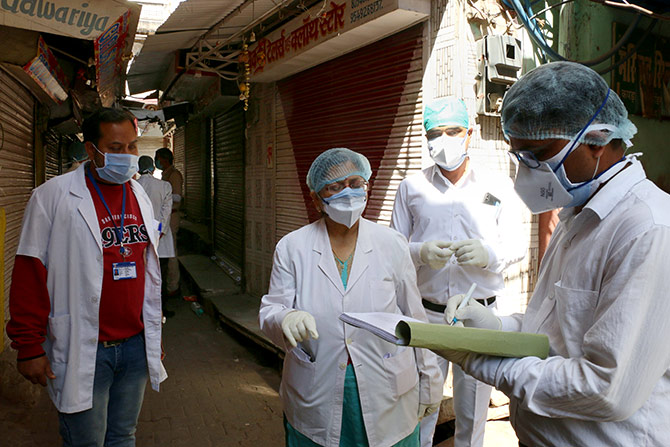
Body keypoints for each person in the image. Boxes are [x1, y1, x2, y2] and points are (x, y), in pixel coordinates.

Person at [441, 61, 670, 446]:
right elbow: (557, 334)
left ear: (596, 140)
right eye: (520, 157)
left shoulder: (647, 229)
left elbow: (605, 387)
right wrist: (498, 329)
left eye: (538, 154)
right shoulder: (576, 217)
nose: (528, 172)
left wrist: (490, 364)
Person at [259, 148, 443, 447]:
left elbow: (415, 319)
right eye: (335, 187)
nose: (348, 193)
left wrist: (431, 380)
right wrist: (285, 317)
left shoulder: (392, 243)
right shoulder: (292, 247)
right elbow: (271, 310)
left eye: (355, 183)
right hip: (316, 387)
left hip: (387, 386)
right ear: (316, 199)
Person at [6, 108, 167, 446]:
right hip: (86, 347)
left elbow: (148, 273)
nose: (127, 157)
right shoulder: (52, 196)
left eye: (132, 147)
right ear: (91, 149)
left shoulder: (138, 195)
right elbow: (29, 274)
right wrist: (28, 346)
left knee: (124, 436)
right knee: (85, 441)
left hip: (135, 345)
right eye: (116, 148)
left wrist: (153, 337)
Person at [390, 97, 526, 447]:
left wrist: (488, 255)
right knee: (422, 403)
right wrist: (420, 252)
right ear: (426, 138)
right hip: (428, 316)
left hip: (478, 316)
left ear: (469, 133)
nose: (445, 139)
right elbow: (392, 249)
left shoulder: (496, 186)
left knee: (473, 410)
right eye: (435, 133)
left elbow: (517, 245)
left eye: (453, 131)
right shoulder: (412, 187)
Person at [137, 155, 176, 317]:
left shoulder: (133, 186)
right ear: (153, 168)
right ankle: (160, 310)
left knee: (142, 277)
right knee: (160, 276)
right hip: (161, 238)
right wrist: (158, 230)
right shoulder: (164, 186)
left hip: (140, 238)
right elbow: (165, 213)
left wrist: (147, 230)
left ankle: (142, 311)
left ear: (138, 169)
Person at [154, 147, 183, 298]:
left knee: (171, 253)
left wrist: (164, 199)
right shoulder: (165, 174)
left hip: (172, 217)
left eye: (158, 158)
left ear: (164, 159)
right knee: (166, 251)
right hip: (165, 217)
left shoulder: (174, 175)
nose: (156, 161)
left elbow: (177, 197)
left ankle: (173, 286)